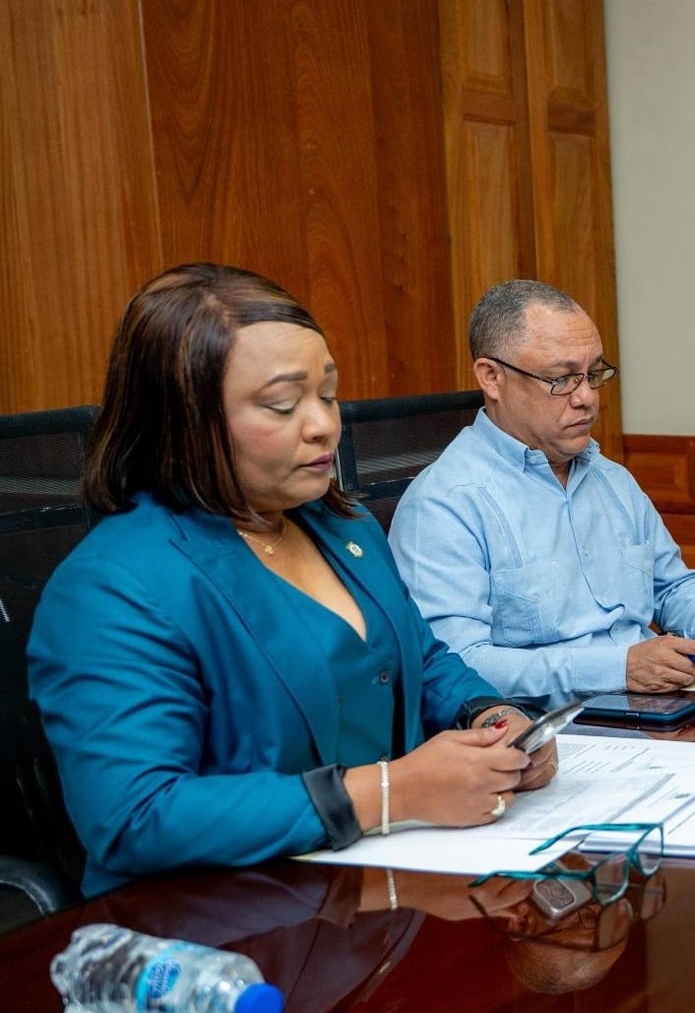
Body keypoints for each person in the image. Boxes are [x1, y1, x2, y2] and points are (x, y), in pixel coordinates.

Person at [29, 265, 556, 897]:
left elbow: (423, 660)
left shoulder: (343, 525)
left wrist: (488, 713)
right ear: (185, 420)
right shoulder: (111, 587)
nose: (323, 425)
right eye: (283, 404)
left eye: (327, 395)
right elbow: (136, 817)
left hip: (383, 892)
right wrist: (388, 793)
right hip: (219, 931)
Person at [389, 280, 695, 701]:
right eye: (561, 379)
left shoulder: (609, 478)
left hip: (654, 714)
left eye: (593, 374)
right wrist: (617, 667)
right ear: (492, 377)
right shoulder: (444, 506)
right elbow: (455, 666)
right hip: (549, 734)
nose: (586, 398)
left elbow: (669, 591)